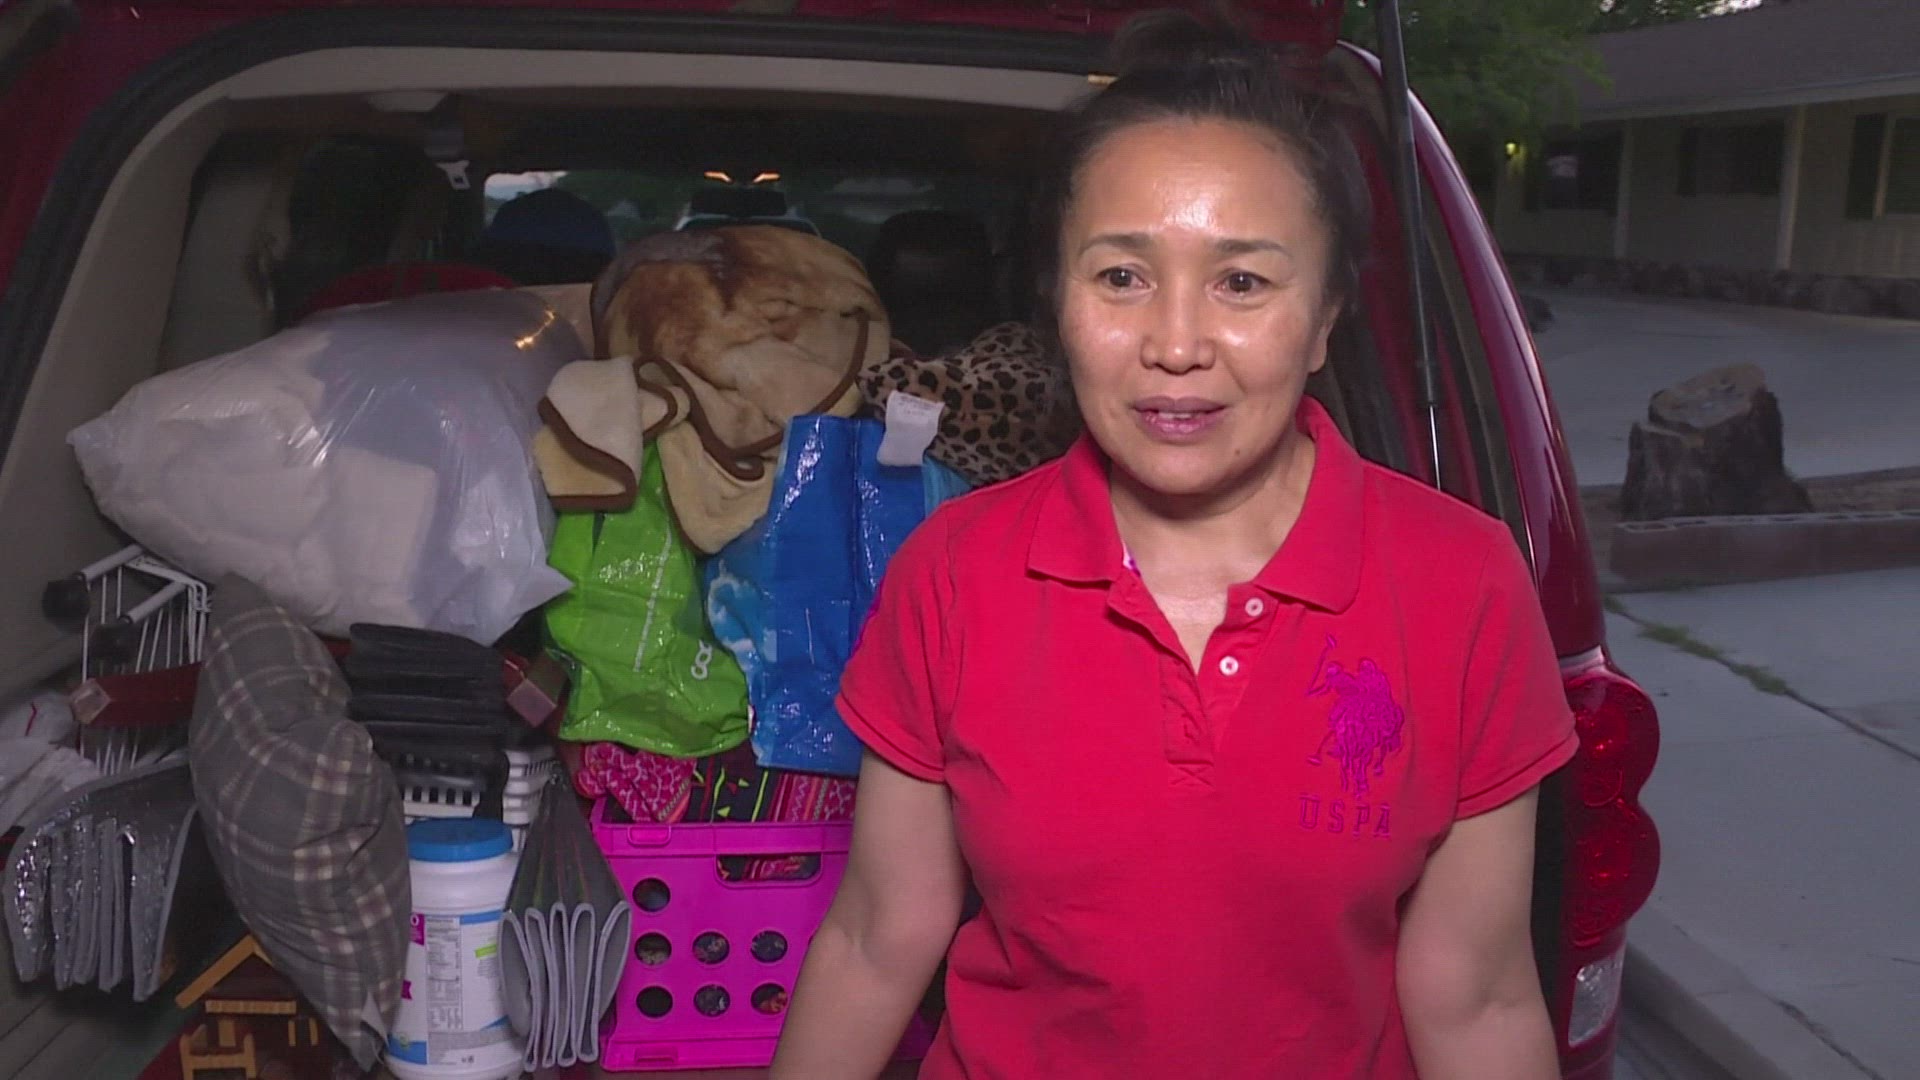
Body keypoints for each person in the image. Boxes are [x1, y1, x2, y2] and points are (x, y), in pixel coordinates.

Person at [770, 10, 1578, 1079]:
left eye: (1242, 282)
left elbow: (1477, 1000)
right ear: (1056, 301)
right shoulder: (954, 572)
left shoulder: (1462, 581)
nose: (1177, 345)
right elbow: (877, 938)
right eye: (1121, 277)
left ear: (1325, 317)